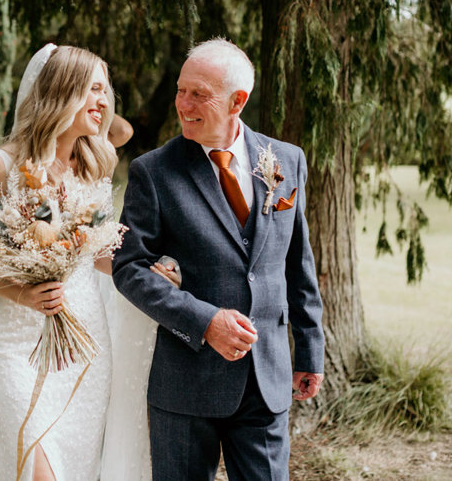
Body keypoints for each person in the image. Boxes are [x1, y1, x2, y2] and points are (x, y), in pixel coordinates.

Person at [112, 38, 325, 480]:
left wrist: (309, 349)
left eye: (199, 94)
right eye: (180, 90)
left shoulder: (286, 160)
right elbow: (129, 267)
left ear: (237, 101)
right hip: (186, 383)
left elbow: (296, 262)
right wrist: (205, 321)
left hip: (266, 378)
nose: (183, 104)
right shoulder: (153, 172)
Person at [0, 45, 121, 481]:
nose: (103, 102)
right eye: (93, 89)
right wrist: (25, 294)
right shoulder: (3, 165)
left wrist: (154, 267)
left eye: (105, 91)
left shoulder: (97, 163)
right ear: (62, 92)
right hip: (16, 342)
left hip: (84, 343)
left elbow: (100, 255)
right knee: (35, 466)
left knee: (74, 467)